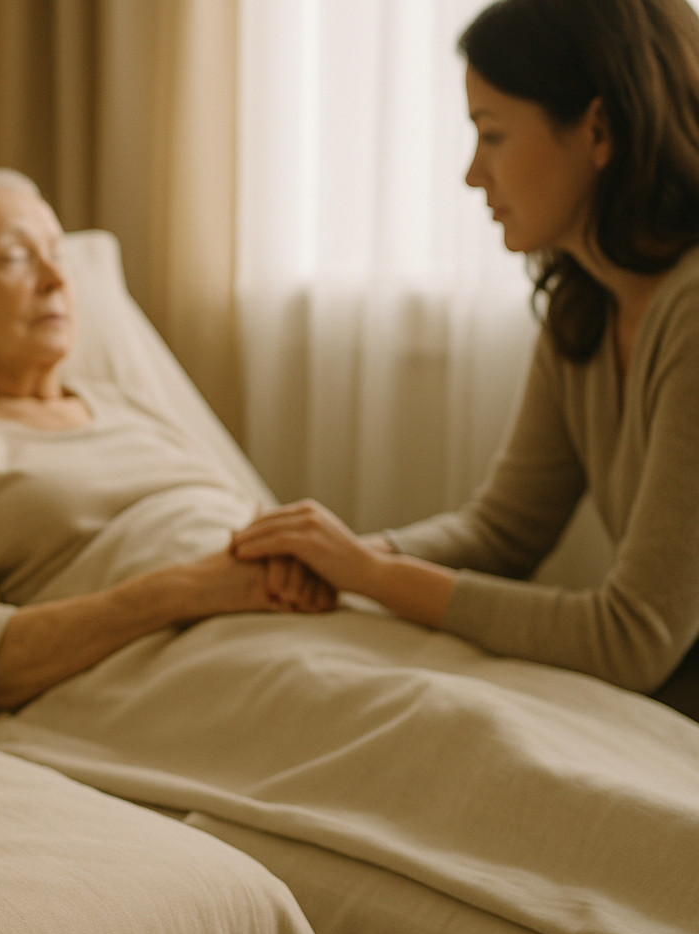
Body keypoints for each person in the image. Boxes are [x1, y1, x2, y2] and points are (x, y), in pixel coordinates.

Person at [230, 0, 699, 713]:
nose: (473, 174)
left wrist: (371, 574)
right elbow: (501, 533)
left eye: (493, 135)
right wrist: (340, 556)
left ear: (599, 130)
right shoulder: (584, 306)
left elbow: (633, 638)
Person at [0, 168, 334, 720]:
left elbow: (251, 517)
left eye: (57, 255)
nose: (55, 280)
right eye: (15, 257)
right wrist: (181, 591)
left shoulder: (126, 402)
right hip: (182, 668)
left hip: (305, 619)